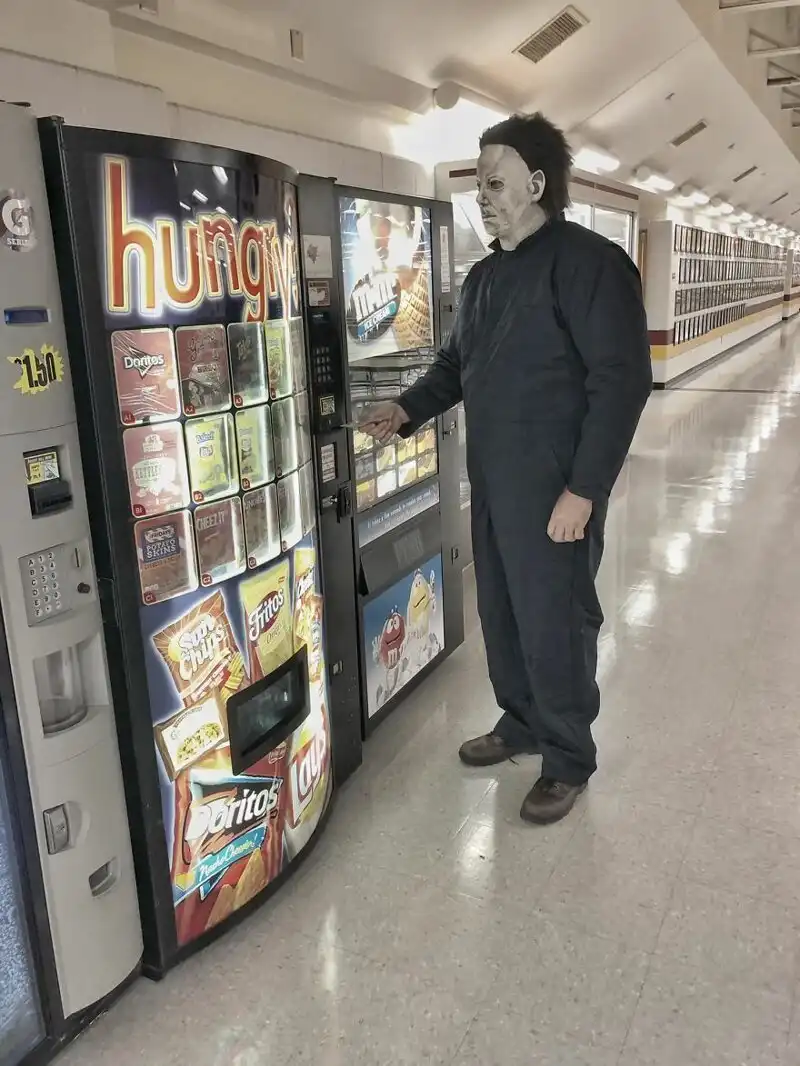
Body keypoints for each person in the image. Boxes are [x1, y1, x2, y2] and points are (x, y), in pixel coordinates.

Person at [360, 112, 652, 824]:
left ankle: (567, 757)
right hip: (493, 483)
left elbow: (621, 381)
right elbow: (456, 366)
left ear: (538, 184)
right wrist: (406, 408)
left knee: (557, 619)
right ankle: (520, 720)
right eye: (480, 184)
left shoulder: (589, 265)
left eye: (496, 184)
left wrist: (585, 488)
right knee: (503, 610)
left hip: (556, 489)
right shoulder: (485, 278)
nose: (483, 196)